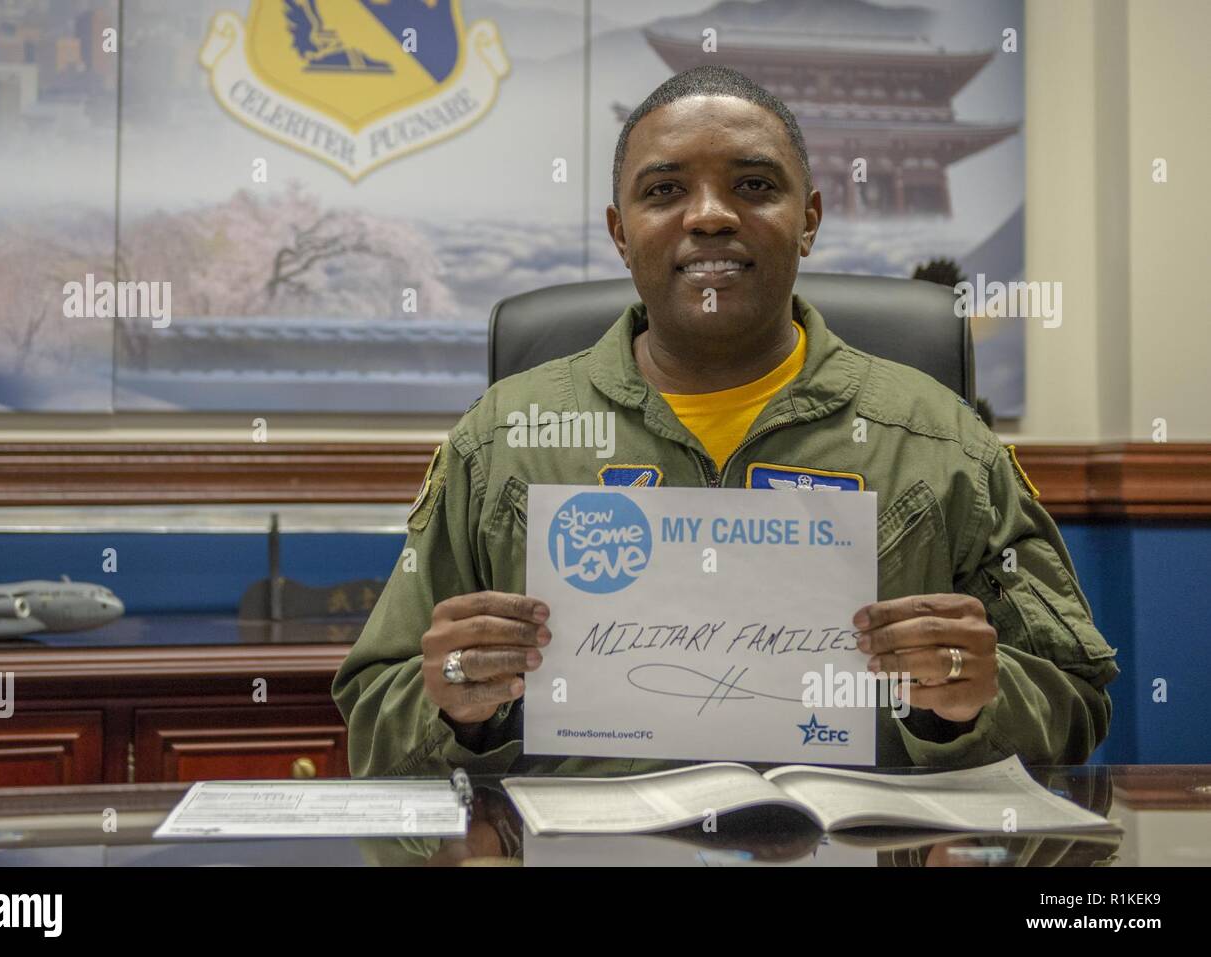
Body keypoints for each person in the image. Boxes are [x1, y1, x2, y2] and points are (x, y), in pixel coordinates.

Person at [332, 65, 1118, 777]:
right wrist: (451, 702)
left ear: (808, 220)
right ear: (620, 231)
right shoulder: (502, 442)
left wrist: (979, 695)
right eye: (665, 191)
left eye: (752, 185)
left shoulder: (942, 444)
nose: (709, 217)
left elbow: (1077, 701)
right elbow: (373, 710)